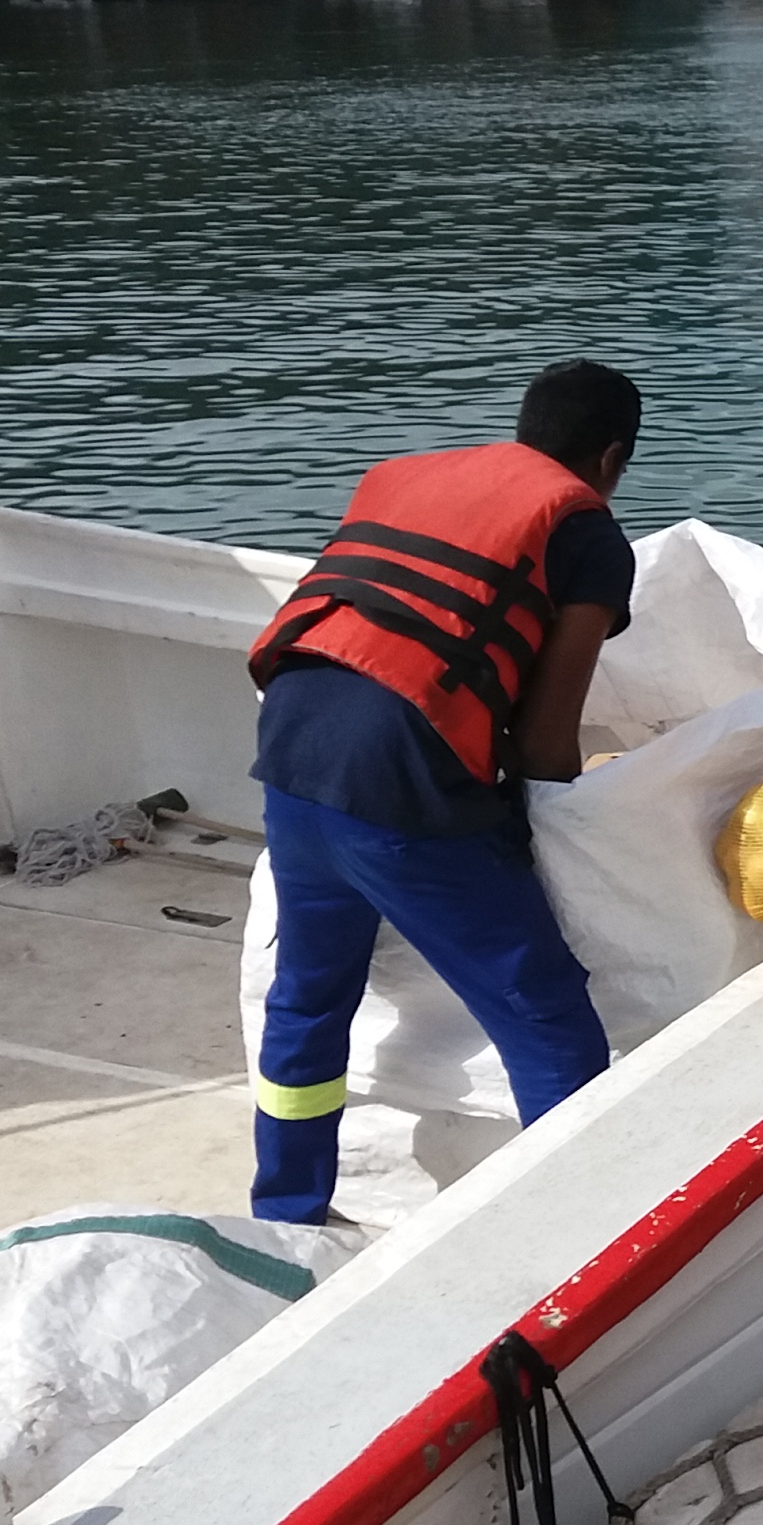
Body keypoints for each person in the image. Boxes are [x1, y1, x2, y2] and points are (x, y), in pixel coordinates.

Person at [240, 359, 643, 1226]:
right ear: (611, 460)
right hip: (401, 781)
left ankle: (286, 1208)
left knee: (308, 999)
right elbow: (543, 743)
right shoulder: (589, 538)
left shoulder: (414, 475)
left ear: (526, 428)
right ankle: (567, 1245)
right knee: (550, 1024)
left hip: (292, 741)